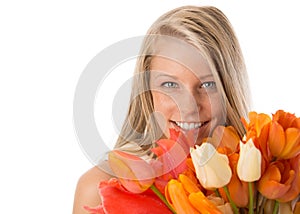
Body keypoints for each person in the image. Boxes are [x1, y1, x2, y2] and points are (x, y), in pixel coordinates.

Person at [73, 5, 251, 214]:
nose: (189, 107)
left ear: (229, 90)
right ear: (147, 91)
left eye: (208, 84)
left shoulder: (260, 186)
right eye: (170, 85)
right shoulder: (99, 190)